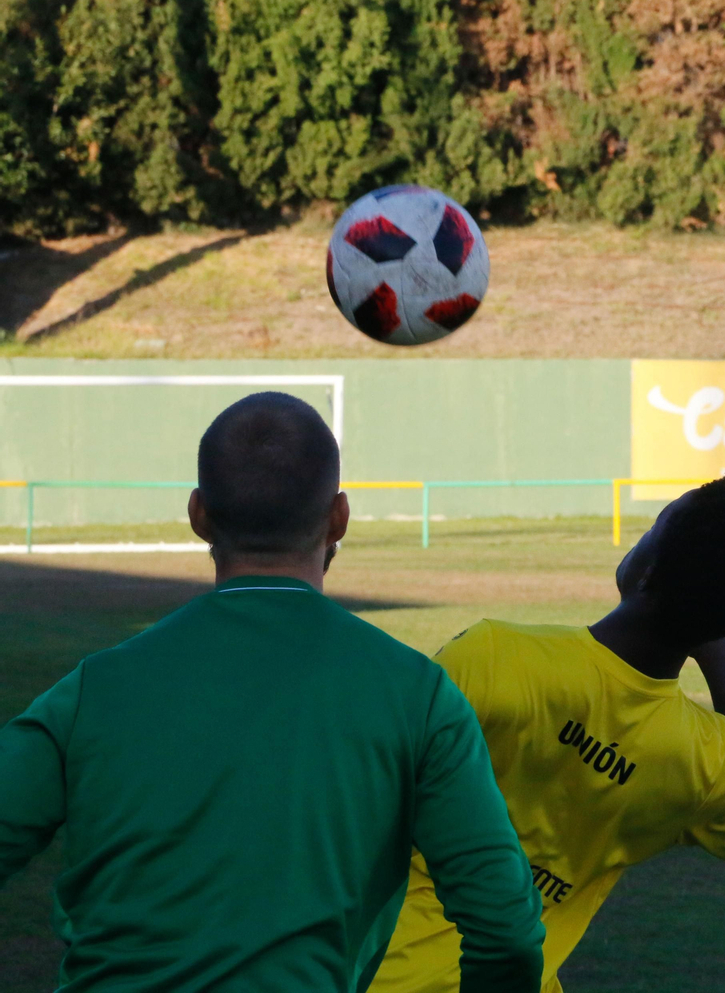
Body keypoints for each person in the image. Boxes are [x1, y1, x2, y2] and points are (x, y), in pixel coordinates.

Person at [0, 392, 544, 991]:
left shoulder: (92, 691)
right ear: (339, 518)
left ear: (198, 515)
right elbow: (506, 933)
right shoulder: (418, 696)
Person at [370, 476, 725, 993]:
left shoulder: (494, 655)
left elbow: (366, 791)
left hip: (382, 969)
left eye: (655, 526)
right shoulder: (706, 760)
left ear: (648, 571)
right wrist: (715, 652)